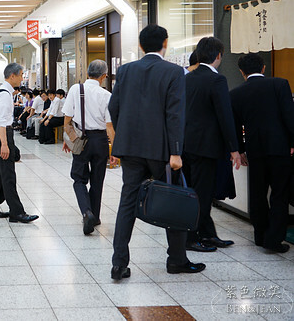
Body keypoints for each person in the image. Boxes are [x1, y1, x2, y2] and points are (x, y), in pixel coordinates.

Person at [108, 24, 205, 280]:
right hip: (162, 151)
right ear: (165, 43)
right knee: (173, 201)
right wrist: (176, 152)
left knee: (127, 203)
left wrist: (124, 135)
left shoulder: (125, 70)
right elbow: (175, 114)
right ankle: (177, 260)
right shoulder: (174, 72)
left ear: (141, 46)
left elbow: (114, 106)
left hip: (130, 149)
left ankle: (119, 264)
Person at [230, 53, 294, 253]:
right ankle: (273, 239)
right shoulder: (280, 84)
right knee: (279, 194)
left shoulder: (236, 93)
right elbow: (289, 115)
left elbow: (235, 126)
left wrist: (240, 151)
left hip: (255, 150)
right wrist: (293, 142)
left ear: (242, 72)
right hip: (280, 148)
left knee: (257, 194)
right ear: (263, 67)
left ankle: (260, 236)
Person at [183, 37, 241, 252]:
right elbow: (225, 116)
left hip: (187, 145)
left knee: (194, 192)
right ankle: (191, 238)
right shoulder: (217, 80)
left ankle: (208, 234)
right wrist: (234, 148)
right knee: (202, 194)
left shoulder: (187, 78)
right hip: (206, 147)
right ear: (218, 56)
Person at [0, 63, 39, 224]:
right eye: (21, 75)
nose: (22, 78)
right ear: (12, 76)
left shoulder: (1, 91)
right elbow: (1, 122)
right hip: (1, 135)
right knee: (8, 174)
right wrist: (4, 144)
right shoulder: (4, 95)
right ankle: (17, 212)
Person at [62, 60, 115, 234]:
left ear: (87, 73)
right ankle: (95, 216)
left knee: (78, 178)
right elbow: (109, 126)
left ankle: (87, 212)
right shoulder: (107, 95)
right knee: (97, 180)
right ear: (104, 76)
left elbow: (67, 120)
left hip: (80, 139)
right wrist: (114, 150)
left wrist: (69, 139)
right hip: (100, 140)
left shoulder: (75, 89)